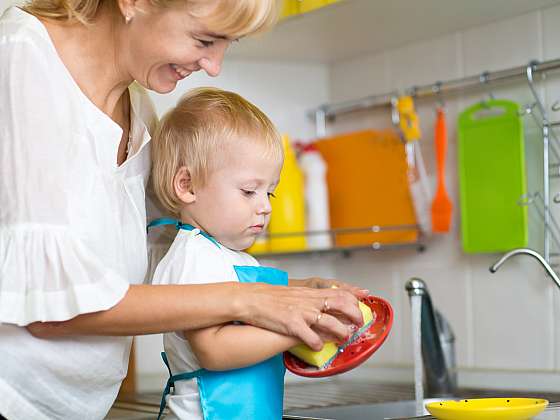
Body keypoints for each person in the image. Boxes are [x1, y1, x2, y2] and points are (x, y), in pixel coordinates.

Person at [0, 1, 368, 419]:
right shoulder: (21, 57)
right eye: (205, 39)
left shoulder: (137, 104)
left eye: (228, 43)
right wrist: (253, 301)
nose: (214, 66)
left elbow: (179, 252)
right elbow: (51, 311)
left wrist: (295, 297)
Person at [150, 87, 333, 419]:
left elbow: (257, 305)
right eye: (249, 191)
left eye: (270, 194)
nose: (264, 207)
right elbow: (215, 350)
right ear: (187, 185)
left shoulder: (227, 255)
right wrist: (297, 328)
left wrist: (310, 292)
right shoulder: (194, 256)